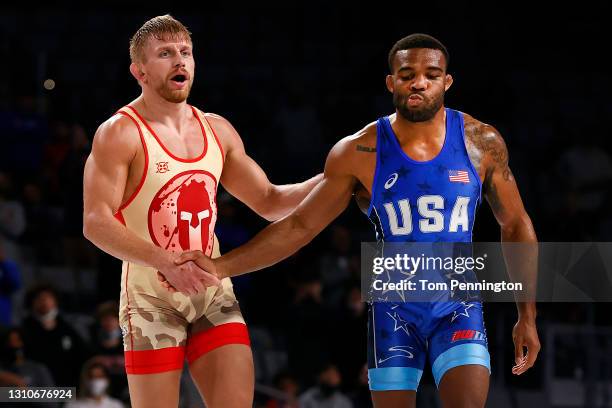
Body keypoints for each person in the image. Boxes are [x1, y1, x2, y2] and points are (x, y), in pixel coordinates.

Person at [170, 34, 541, 407]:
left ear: (447, 81)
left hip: (458, 306)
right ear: (391, 81)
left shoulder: (482, 142)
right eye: (407, 73)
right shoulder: (359, 151)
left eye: (431, 74)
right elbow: (299, 227)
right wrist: (219, 267)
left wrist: (526, 315)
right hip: (394, 312)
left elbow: (516, 225)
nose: (419, 82)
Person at [82, 15, 321, 408]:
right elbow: (95, 222)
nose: (180, 61)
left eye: (185, 52)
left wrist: (336, 179)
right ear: (138, 70)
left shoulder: (217, 130)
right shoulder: (119, 132)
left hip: (212, 291)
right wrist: (167, 262)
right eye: (165, 53)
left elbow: (271, 201)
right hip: (149, 296)